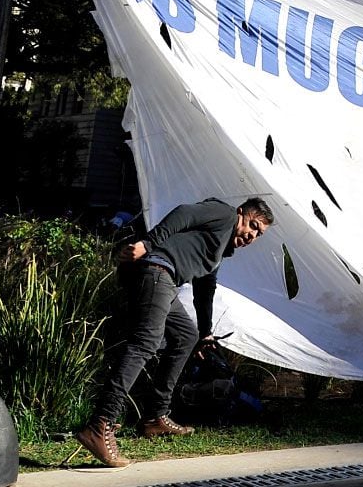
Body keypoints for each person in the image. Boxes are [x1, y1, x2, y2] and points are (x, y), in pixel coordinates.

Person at [74, 197, 275, 467]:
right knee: (145, 344)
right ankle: (100, 424)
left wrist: (206, 333)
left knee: (186, 336)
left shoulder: (218, 249)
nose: (252, 235)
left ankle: (155, 417)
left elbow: (205, 292)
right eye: (252, 225)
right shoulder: (224, 214)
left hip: (163, 277)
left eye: (258, 234)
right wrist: (148, 243)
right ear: (242, 214)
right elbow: (184, 213)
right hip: (157, 270)